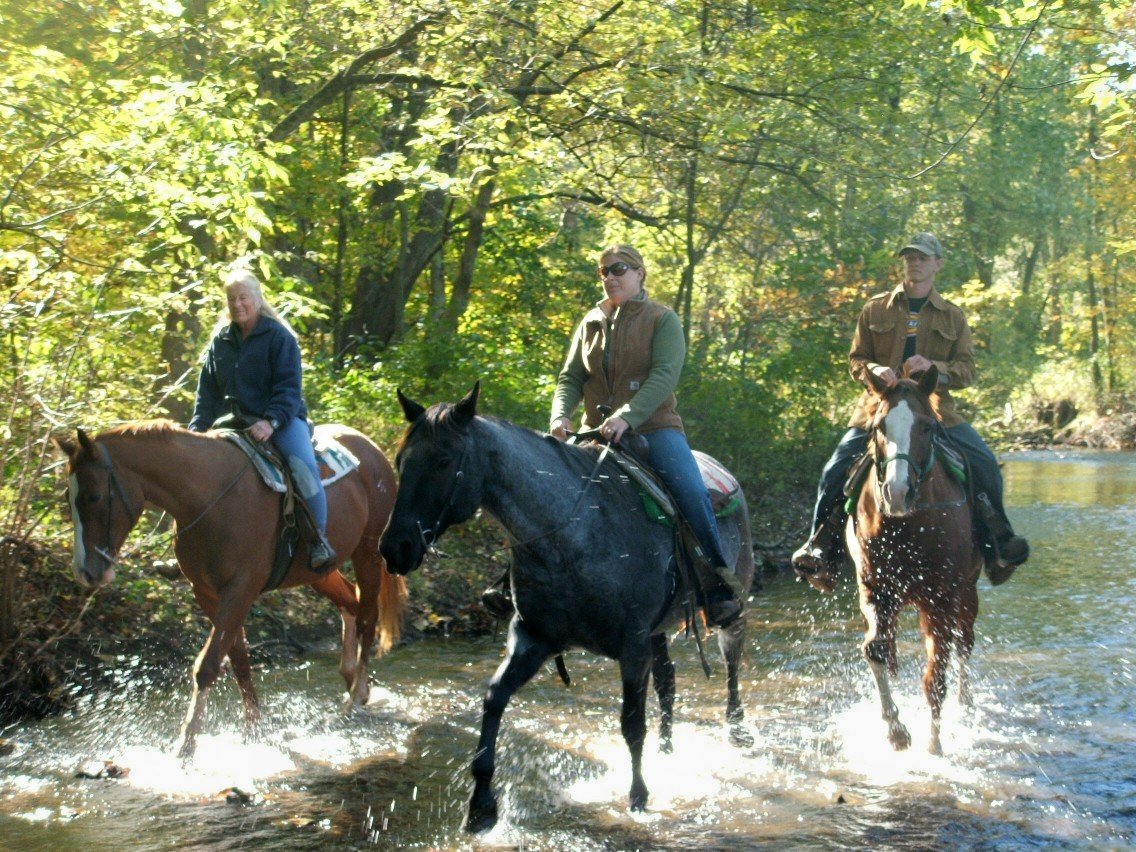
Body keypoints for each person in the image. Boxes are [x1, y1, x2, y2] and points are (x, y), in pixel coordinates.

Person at [483, 244, 744, 627]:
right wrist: (560, 416)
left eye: (618, 268)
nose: (609, 276)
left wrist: (628, 416)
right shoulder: (590, 322)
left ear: (640, 273)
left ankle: (718, 583)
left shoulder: (662, 320)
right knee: (538, 488)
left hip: (654, 429)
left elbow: (664, 375)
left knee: (689, 490)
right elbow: (570, 377)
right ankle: (514, 583)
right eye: (603, 271)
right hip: (593, 434)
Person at [791, 232, 1029, 591]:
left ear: (937, 265)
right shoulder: (875, 308)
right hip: (878, 410)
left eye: (922, 258)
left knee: (984, 464)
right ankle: (820, 548)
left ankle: (998, 545)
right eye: (909, 257)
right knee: (834, 470)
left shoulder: (953, 315)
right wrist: (872, 370)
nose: (914, 263)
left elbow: (967, 370)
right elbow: (856, 359)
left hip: (934, 412)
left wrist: (934, 366)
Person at [188, 268, 336, 572]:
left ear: (257, 298)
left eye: (243, 297)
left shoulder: (280, 337)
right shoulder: (220, 342)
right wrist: (196, 432)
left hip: (281, 421)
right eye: (232, 299)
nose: (238, 304)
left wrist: (271, 421)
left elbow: (289, 388)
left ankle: (318, 541)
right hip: (231, 423)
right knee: (189, 472)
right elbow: (207, 394)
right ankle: (185, 544)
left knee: (303, 468)